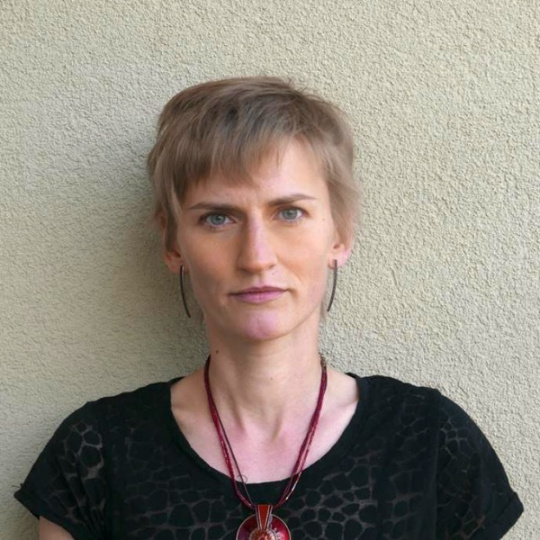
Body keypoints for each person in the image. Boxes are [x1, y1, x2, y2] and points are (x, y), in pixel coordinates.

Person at [15, 77, 523, 539]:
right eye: (218, 218)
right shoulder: (97, 453)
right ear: (173, 245)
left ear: (340, 234)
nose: (257, 257)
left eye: (289, 212)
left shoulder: (429, 443)